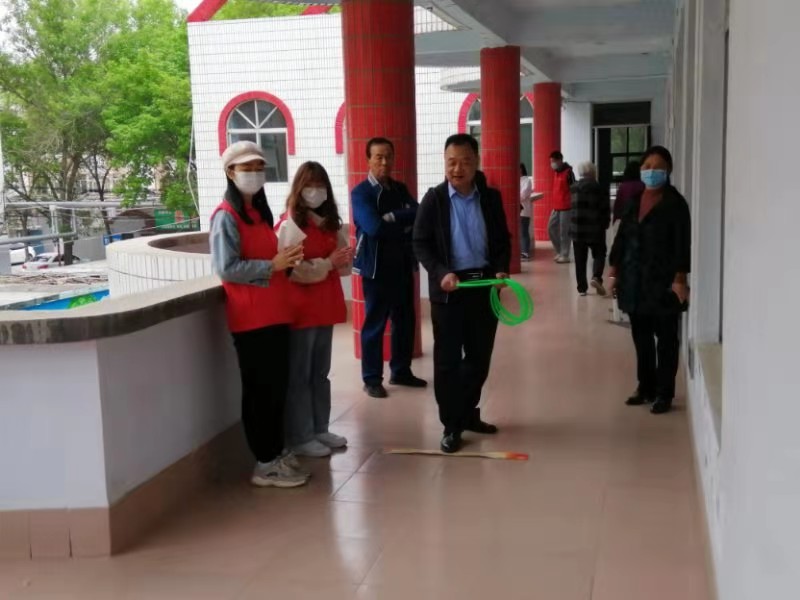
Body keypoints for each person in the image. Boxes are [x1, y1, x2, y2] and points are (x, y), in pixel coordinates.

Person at [209, 141, 309, 488]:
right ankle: (264, 464)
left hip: (275, 313)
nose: (254, 174)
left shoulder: (259, 213)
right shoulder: (226, 216)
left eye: (258, 168)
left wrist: (286, 259)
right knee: (260, 392)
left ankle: (275, 451)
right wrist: (272, 265)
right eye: (246, 168)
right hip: (251, 320)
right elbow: (226, 267)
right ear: (230, 172)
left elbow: (269, 260)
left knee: (276, 390)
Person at [413, 134, 511, 454]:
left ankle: (468, 413)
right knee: (448, 362)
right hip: (450, 289)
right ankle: (451, 425)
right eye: (451, 162)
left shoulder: (491, 198)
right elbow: (420, 243)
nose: (458, 168)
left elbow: (502, 240)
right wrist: (441, 272)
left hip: (484, 286)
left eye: (465, 161)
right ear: (444, 163)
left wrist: (500, 269)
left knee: (480, 358)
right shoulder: (434, 199)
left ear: (476, 162)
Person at [277, 162, 353, 458]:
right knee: (300, 375)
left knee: (320, 373)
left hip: (325, 307)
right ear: (299, 189)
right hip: (301, 310)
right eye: (309, 185)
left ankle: (320, 427)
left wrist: (341, 257)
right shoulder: (290, 225)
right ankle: (301, 435)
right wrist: (329, 262)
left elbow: (341, 262)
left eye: (321, 185)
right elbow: (293, 270)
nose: (316, 191)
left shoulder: (327, 223)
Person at [608, 146, 691, 415]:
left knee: (666, 339)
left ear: (668, 171)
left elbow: (682, 244)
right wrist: (614, 272)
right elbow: (622, 238)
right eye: (647, 167)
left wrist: (680, 279)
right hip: (633, 280)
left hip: (663, 283)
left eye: (658, 167)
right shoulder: (634, 201)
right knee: (641, 337)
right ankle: (645, 386)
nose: (651, 171)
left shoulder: (675, 204)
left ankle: (664, 393)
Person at [352, 137, 427, 398]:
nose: (384, 162)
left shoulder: (399, 189)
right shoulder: (361, 193)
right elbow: (374, 228)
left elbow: (418, 212)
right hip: (376, 269)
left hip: (402, 264)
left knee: (405, 320)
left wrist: (394, 216)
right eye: (378, 157)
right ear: (368, 160)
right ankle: (372, 378)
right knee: (375, 324)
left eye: (388, 157)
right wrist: (401, 225)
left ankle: (401, 371)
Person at [570, 161, 611, 296]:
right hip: (595, 228)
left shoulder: (574, 188)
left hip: (577, 229)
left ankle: (582, 288)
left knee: (580, 259)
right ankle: (596, 277)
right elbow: (605, 209)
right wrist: (605, 224)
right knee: (599, 254)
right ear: (593, 172)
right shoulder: (599, 188)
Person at [547, 150, 575, 263]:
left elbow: (573, 189)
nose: (552, 164)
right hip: (556, 206)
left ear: (560, 160)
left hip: (566, 207)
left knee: (564, 232)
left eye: (553, 161)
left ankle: (565, 255)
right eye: (551, 161)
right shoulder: (556, 172)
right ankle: (559, 251)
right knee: (551, 228)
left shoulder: (568, 172)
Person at [519, 163, 533, 261]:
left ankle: (525, 252)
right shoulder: (516, 180)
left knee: (523, 231)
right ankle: (520, 251)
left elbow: (522, 195)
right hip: (516, 210)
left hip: (524, 210)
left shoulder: (527, 180)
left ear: (521, 169)